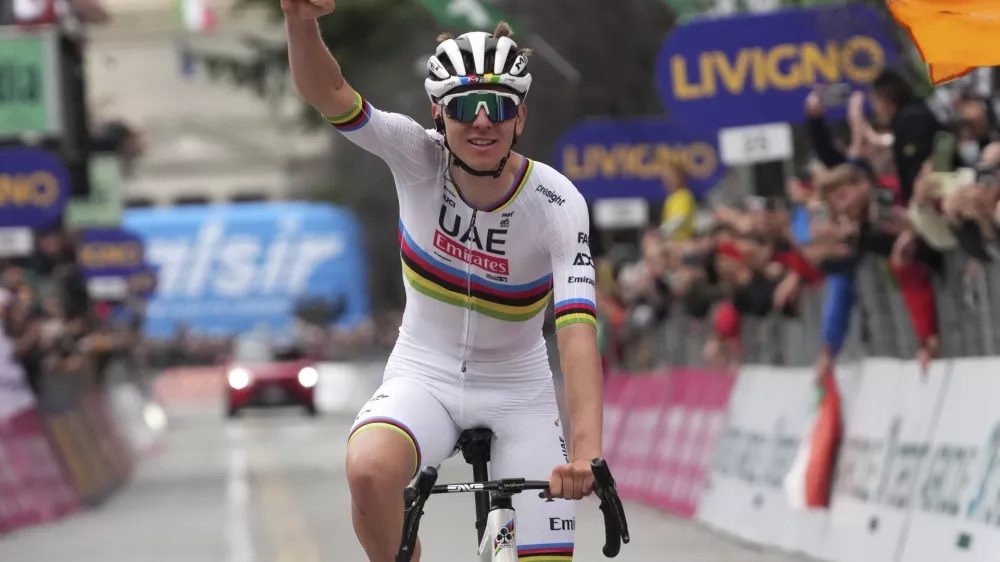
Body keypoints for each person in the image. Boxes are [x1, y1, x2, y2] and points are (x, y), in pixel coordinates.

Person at [283, 1, 603, 560]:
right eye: (465, 107)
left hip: (518, 390)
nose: (483, 121)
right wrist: (298, 19)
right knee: (368, 471)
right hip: (423, 373)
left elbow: (576, 332)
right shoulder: (413, 156)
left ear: (520, 117)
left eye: (499, 107)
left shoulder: (556, 203)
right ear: (438, 113)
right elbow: (327, 91)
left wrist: (585, 455)